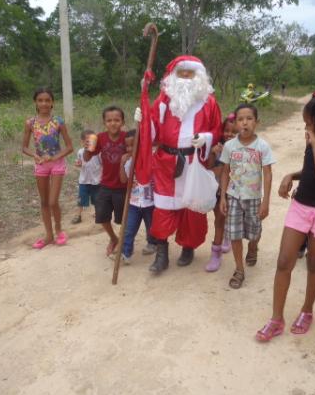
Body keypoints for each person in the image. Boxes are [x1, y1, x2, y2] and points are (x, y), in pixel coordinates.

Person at [255, 92, 315, 341]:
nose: (305, 127)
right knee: (284, 261)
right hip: (300, 207)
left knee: (314, 264)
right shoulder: (312, 139)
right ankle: (276, 319)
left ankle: (307, 311)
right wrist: (291, 176)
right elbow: (311, 169)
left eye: (308, 122)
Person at [136, 55, 222, 273]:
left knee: (192, 209)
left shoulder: (209, 102)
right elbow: (153, 129)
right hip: (166, 163)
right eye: (181, 72)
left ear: (199, 76)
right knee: (163, 209)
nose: (185, 76)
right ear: (174, 75)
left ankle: (188, 247)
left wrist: (206, 138)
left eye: (189, 72)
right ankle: (162, 253)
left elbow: (216, 129)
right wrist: (143, 119)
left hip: (194, 162)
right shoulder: (164, 100)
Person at [219, 104, 275, 288]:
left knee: (254, 232)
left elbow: (267, 174)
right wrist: (222, 198)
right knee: (234, 234)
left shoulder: (262, 146)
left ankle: (253, 246)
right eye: (240, 119)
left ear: (256, 122)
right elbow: (225, 172)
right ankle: (239, 269)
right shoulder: (229, 146)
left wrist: (265, 201)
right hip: (233, 197)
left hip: (253, 198)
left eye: (249, 119)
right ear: (235, 124)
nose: (245, 123)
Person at [22, 88, 73, 248]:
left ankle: (58, 229)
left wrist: (55, 157)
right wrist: (34, 156)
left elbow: (69, 147)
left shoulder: (58, 121)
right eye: (40, 100)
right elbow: (24, 147)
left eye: (47, 100)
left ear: (52, 103)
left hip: (57, 163)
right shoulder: (30, 123)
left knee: (52, 201)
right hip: (40, 165)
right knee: (44, 202)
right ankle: (49, 235)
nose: (44, 103)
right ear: (35, 103)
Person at [84, 106, 127, 256]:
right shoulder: (99, 138)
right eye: (109, 120)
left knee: (123, 219)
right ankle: (114, 238)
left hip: (123, 186)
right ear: (104, 122)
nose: (113, 123)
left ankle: (125, 241)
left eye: (117, 120)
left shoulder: (127, 137)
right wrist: (87, 148)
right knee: (101, 216)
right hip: (106, 185)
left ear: (122, 122)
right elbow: (86, 158)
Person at [118, 131, 157, 264]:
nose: (129, 149)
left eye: (133, 145)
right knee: (128, 229)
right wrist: (122, 164)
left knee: (151, 227)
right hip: (134, 203)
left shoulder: (151, 160)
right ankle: (126, 252)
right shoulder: (129, 163)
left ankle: (152, 243)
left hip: (150, 203)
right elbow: (123, 180)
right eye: (127, 146)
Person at [204, 113, 236, 272]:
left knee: (223, 219)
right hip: (217, 191)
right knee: (218, 219)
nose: (229, 134)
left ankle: (224, 241)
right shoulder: (217, 147)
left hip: (233, 192)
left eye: (233, 132)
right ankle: (216, 253)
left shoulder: (241, 149)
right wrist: (213, 153)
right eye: (227, 131)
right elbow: (210, 168)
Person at [72, 130, 101, 225]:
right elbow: (80, 162)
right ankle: (78, 215)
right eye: (86, 141)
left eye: (91, 141)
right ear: (82, 141)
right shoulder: (80, 152)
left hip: (96, 181)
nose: (88, 143)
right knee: (81, 199)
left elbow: (102, 164)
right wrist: (78, 164)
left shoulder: (98, 152)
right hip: (84, 181)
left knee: (97, 199)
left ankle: (98, 213)